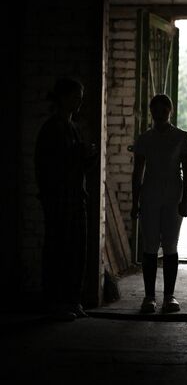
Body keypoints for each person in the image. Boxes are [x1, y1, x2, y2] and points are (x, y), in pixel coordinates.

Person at [35, 77, 97, 321]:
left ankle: (72, 299)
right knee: (58, 250)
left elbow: (76, 165)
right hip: (59, 199)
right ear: (62, 97)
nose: (79, 101)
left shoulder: (72, 127)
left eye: (80, 97)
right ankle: (56, 302)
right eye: (75, 96)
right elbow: (50, 167)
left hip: (74, 198)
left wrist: (86, 157)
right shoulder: (51, 129)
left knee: (76, 250)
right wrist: (78, 155)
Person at [131, 94, 187, 314]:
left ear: (170, 110)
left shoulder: (181, 137)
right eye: (155, 110)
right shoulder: (145, 138)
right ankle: (149, 297)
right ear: (151, 112)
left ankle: (169, 296)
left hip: (173, 196)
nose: (159, 113)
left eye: (163, 109)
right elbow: (137, 172)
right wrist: (134, 201)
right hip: (149, 196)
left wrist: (185, 200)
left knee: (170, 246)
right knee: (149, 246)